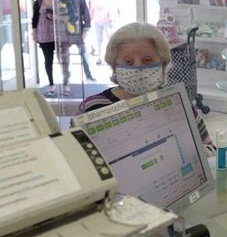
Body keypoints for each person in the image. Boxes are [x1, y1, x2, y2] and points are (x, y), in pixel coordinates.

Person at [77, 22, 214, 150]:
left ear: (163, 65)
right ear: (114, 66)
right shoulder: (92, 108)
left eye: (147, 60)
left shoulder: (179, 103)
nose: (138, 67)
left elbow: (209, 148)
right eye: (129, 61)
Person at [31, 0, 70, 96]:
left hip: (60, 34)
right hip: (44, 35)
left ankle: (65, 84)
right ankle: (51, 83)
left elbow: (70, 17)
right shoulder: (39, 0)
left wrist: (56, 17)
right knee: (48, 60)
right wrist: (34, 32)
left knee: (63, 60)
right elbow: (35, 18)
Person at [59, 0, 95, 82]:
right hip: (63, 33)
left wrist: (86, 30)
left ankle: (88, 76)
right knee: (65, 57)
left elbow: (86, 15)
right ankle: (66, 77)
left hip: (78, 32)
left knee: (84, 55)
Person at [87, 0, 114, 65]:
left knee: (109, 39)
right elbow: (91, 9)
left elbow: (111, 7)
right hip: (97, 20)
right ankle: (100, 57)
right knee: (99, 40)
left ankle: (109, 58)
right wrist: (89, 19)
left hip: (107, 20)